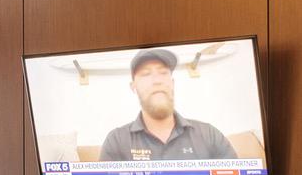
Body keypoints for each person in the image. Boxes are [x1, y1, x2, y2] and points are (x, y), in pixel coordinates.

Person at [95, 49, 238, 163]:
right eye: (146, 74)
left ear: (172, 83)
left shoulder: (209, 135)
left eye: (163, 73)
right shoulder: (117, 141)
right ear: (133, 87)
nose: (157, 80)